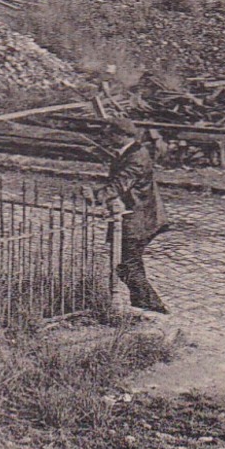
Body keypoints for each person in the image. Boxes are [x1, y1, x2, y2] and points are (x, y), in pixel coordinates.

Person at [98, 117, 169, 314]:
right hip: (134, 216)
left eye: (110, 135)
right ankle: (143, 305)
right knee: (126, 264)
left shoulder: (136, 156)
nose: (107, 138)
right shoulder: (128, 152)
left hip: (139, 219)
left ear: (121, 136)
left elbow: (121, 183)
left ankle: (152, 308)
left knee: (127, 264)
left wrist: (97, 196)